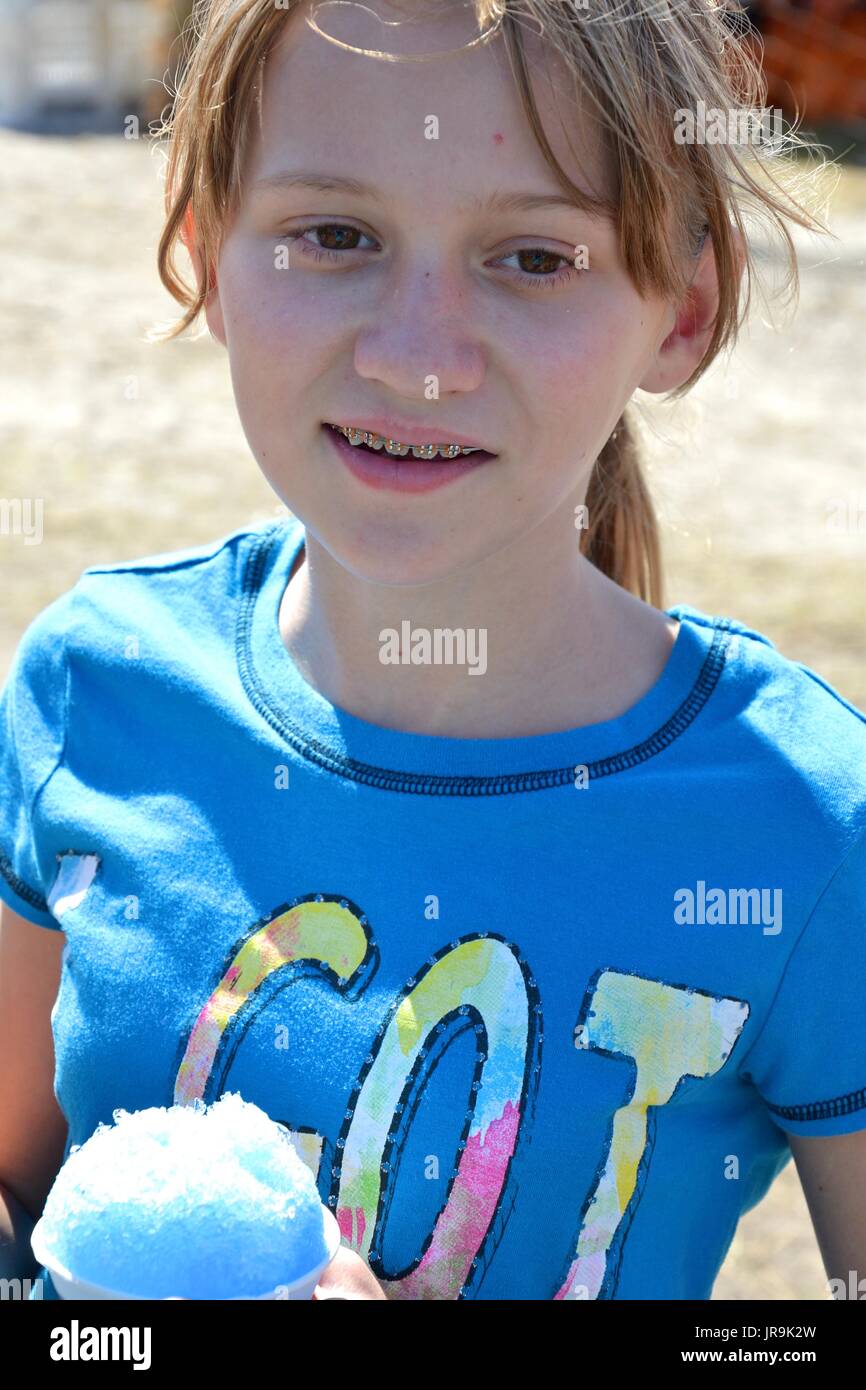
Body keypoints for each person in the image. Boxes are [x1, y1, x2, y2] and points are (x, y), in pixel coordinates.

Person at [2, 0, 865, 1302]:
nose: (414, 361)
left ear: (683, 309)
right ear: (203, 254)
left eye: (531, 256)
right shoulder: (92, 694)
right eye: (332, 236)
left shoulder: (807, 829)